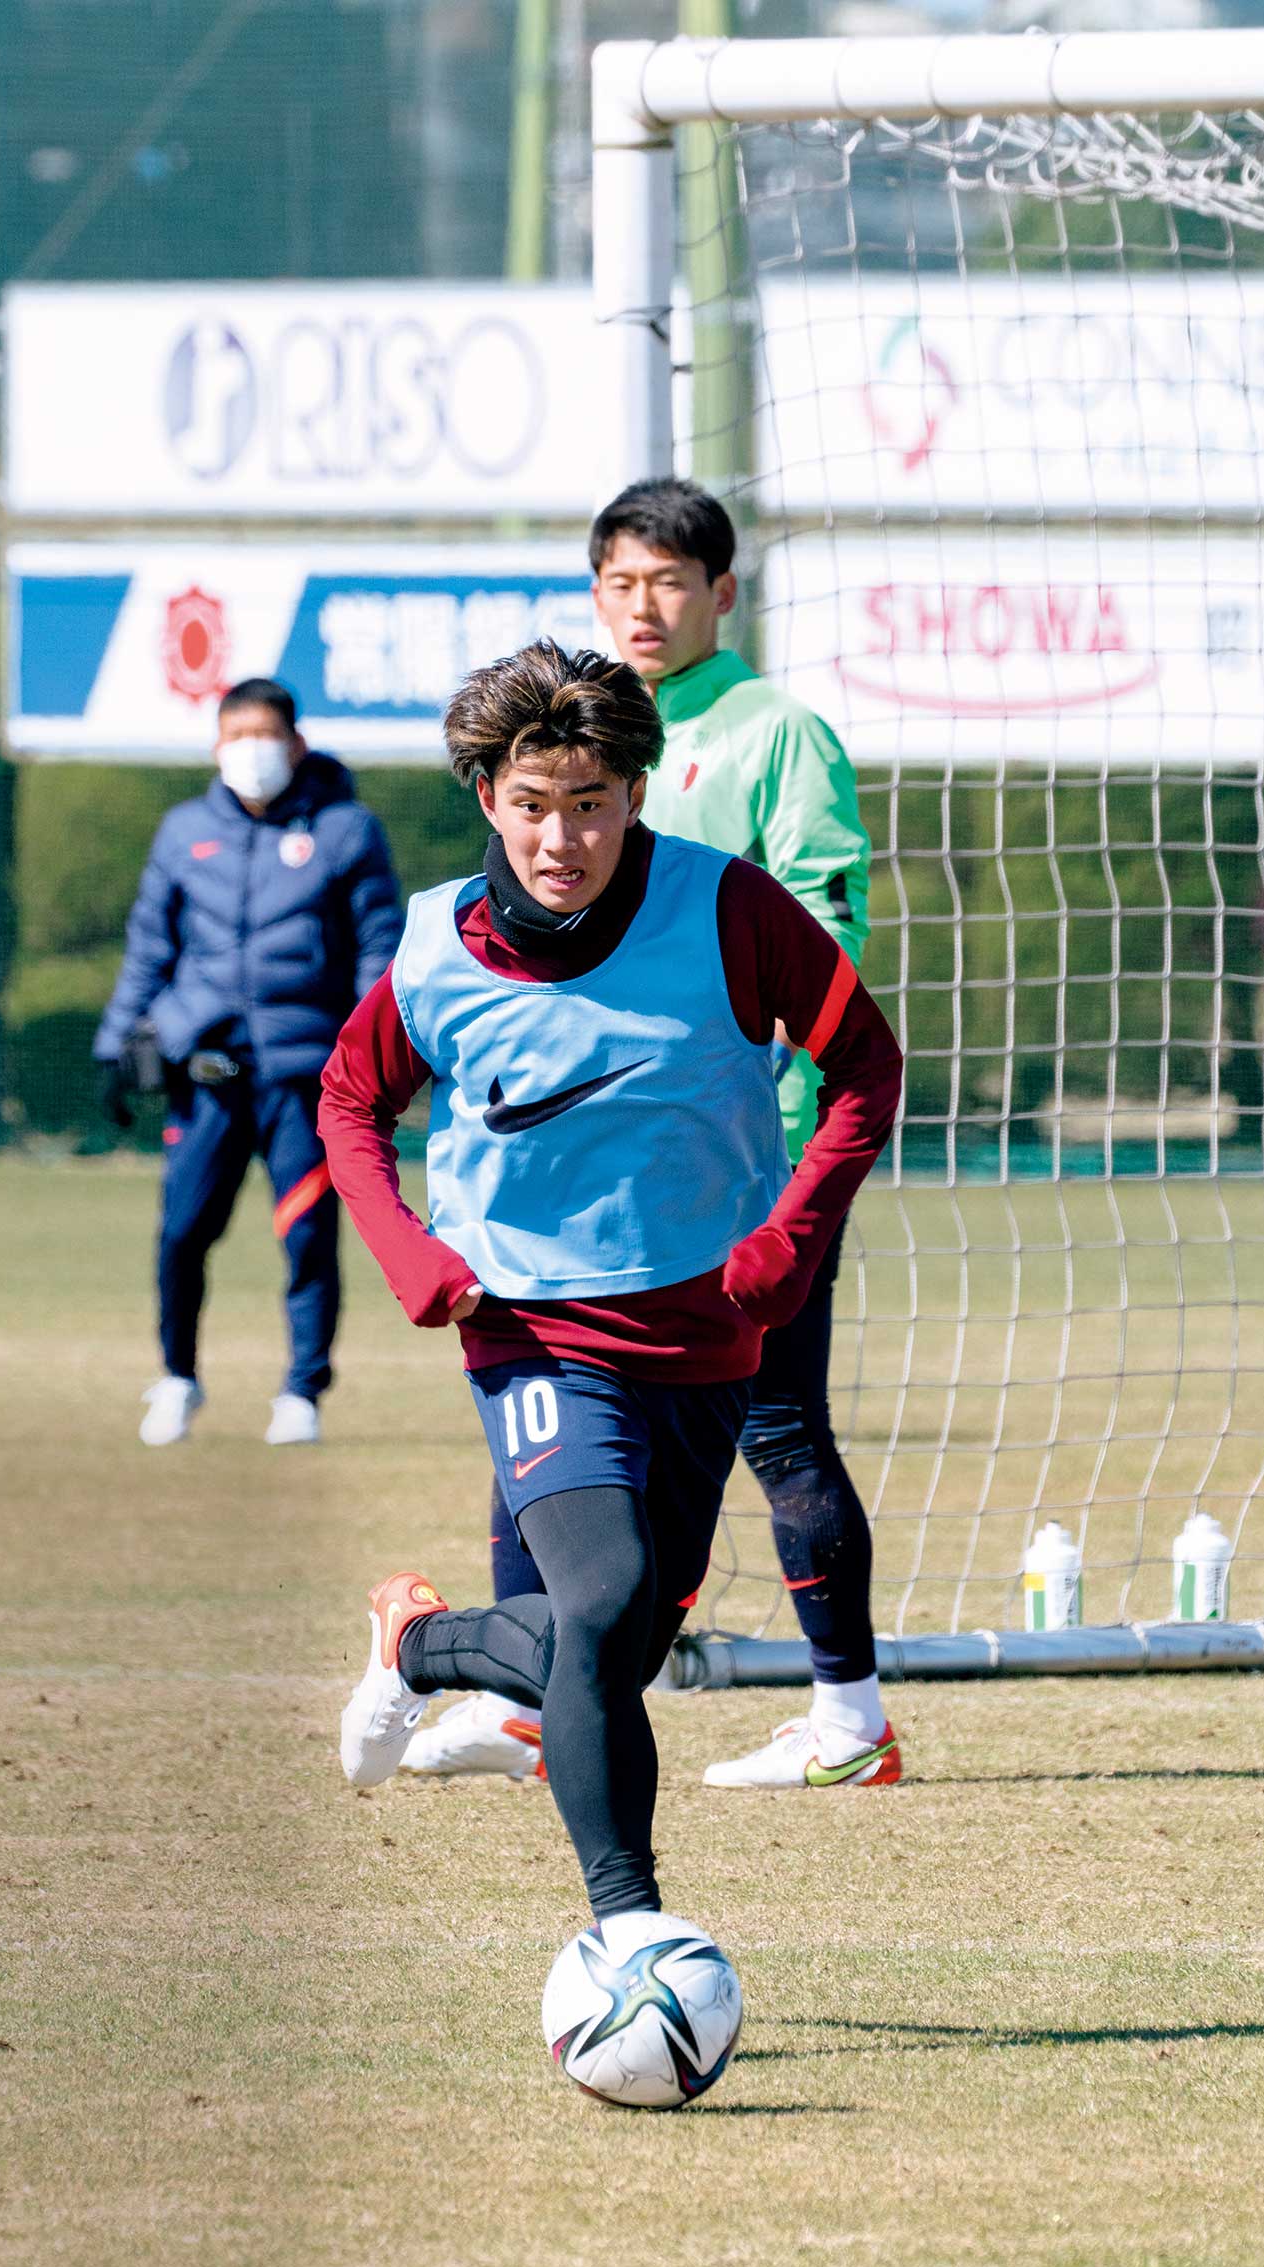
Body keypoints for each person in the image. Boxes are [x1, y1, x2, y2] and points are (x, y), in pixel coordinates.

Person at [322, 640, 900, 1936]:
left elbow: (866, 1067)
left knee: (613, 1653)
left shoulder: (730, 909)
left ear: (636, 794)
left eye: (590, 804)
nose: (560, 839)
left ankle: (415, 1644)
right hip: (530, 1328)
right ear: (488, 798)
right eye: (533, 805)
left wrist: (794, 1235)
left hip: (707, 1327)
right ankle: (629, 1929)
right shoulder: (435, 947)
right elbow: (349, 1102)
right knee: (598, 1603)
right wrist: (411, 1251)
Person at [407, 478, 896, 1791]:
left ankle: (849, 1716)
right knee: (545, 1429)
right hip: (577, 1174)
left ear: (720, 593)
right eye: (620, 581)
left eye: (669, 581)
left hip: (745, 1163)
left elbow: (824, 926)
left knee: (778, 1429)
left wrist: (759, 1080)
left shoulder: (774, 731)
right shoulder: (570, 730)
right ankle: (525, 1702)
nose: (644, 605)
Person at [95, 676, 402, 1448]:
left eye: (263, 736)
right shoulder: (183, 832)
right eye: (236, 737)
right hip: (205, 1074)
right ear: (216, 746)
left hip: (302, 1077)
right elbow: (149, 947)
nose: (250, 752)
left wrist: (370, 1052)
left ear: (296, 745)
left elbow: (377, 948)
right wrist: (115, 1044)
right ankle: (177, 1376)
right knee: (181, 1233)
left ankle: (302, 1390)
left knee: (306, 1236)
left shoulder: (345, 831)